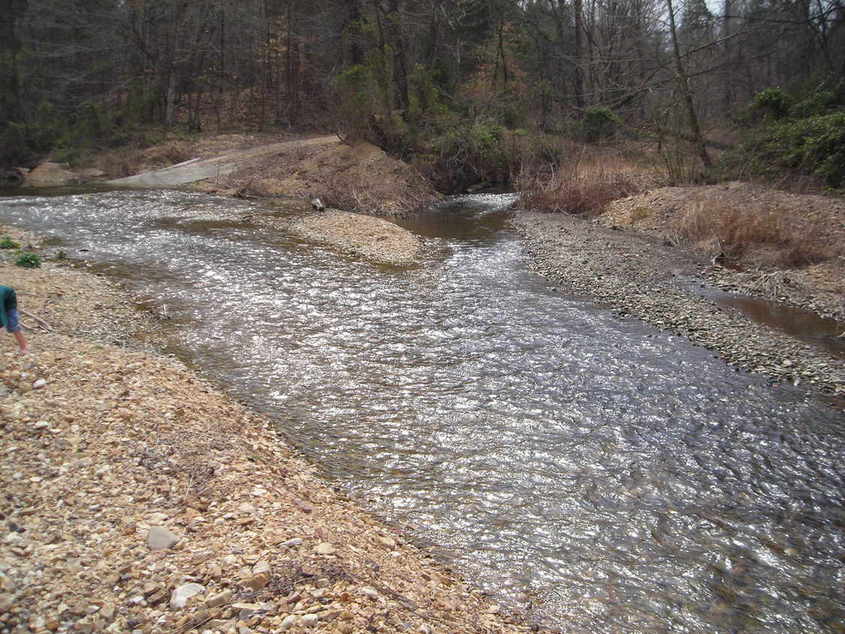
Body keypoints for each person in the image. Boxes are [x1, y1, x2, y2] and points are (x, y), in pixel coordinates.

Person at [1, 285, 28, 354]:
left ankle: (23, 346)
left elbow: (1, 314)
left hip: (9, 299)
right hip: (3, 296)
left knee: (13, 325)